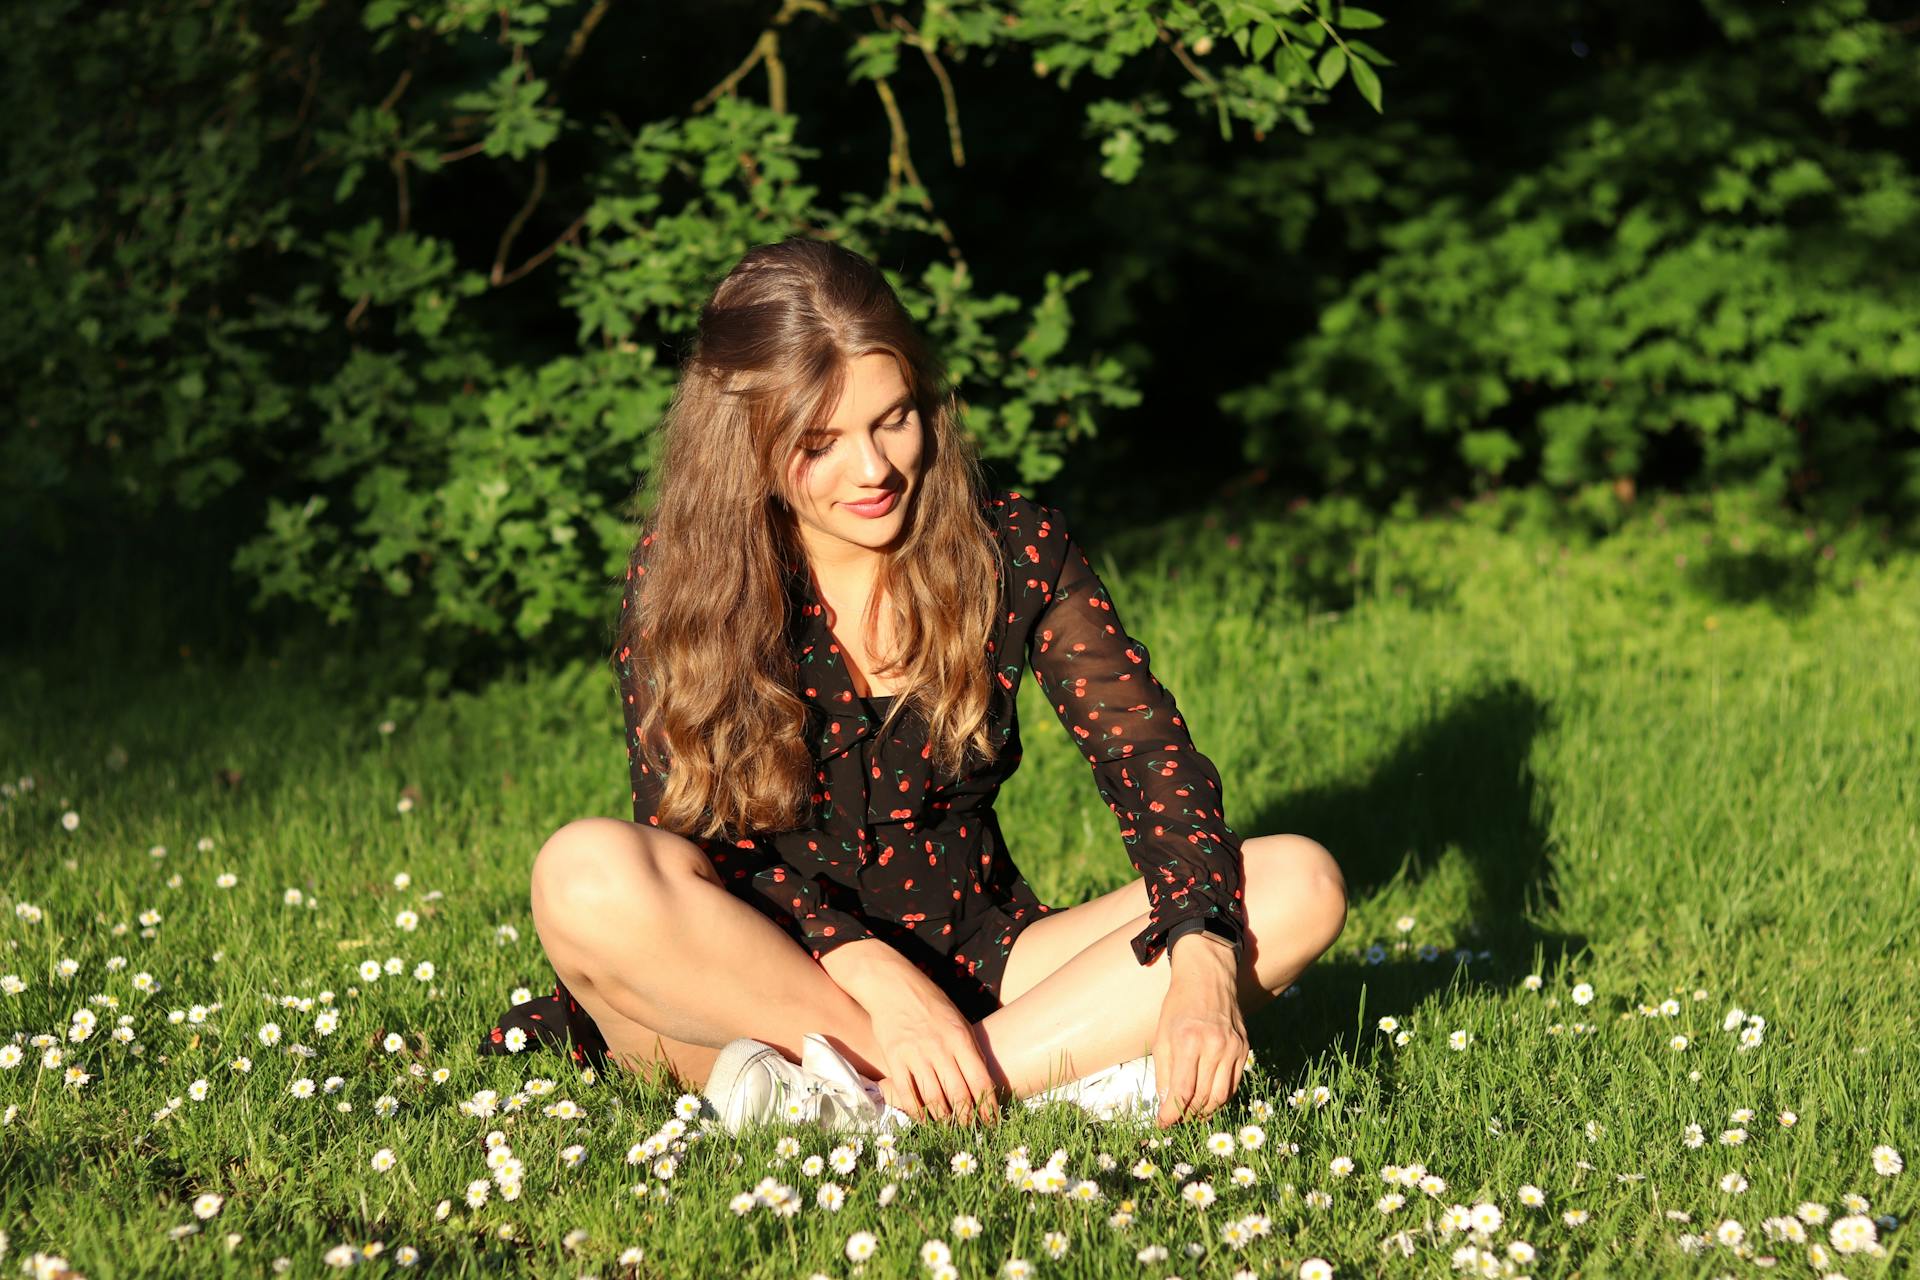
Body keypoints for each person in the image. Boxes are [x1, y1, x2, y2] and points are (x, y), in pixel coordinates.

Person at [477, 236, 1347, 1131]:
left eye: (894, 418)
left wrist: (1201, 960)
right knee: (585, 874)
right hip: (762, 983)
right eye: (820, 442)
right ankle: (1011, 1076)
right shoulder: (684, 580)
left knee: (1296, 882)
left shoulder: (1013, 551)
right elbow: (692, 840)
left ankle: (891, 1103)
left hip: (985, 964)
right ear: (746, 444)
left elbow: (1150, 764)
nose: (875, 469)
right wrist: (866, 972)